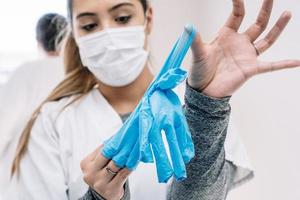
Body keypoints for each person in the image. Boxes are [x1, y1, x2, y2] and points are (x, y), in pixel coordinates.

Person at [8, 0, 300, 199]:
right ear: (75, 32)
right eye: (89, 26)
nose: (108, 34)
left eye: (122, 18)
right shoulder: (52, 121)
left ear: (147, 19)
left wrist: (208, 107)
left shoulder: (200, 105)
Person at [0, 13, 67, 197]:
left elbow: (2, 129)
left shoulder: (25, 73)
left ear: (38, 42)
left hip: (21, 189)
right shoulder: (77, 76)